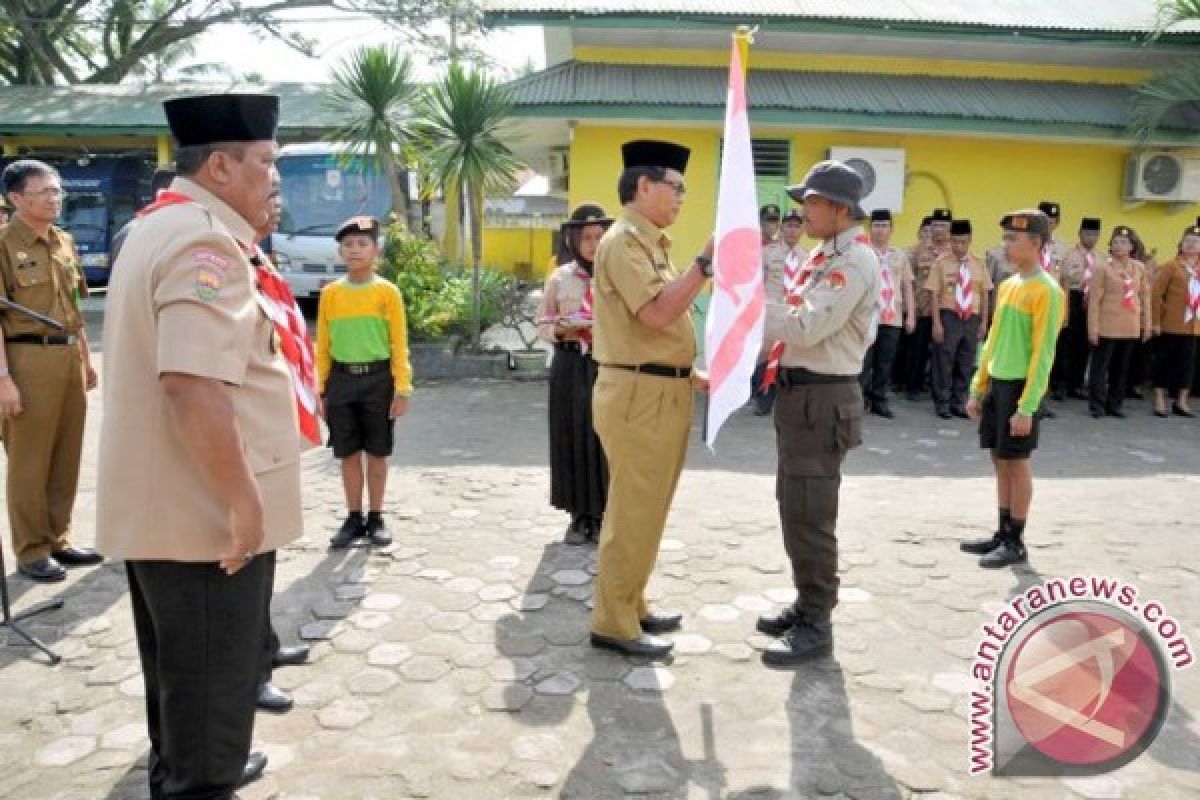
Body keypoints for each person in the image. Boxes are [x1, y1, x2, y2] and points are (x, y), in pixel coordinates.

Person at [96, 92, 302, 798]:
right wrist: (244, 502)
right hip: (206, 522)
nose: (274, 178)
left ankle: (188, 770)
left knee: (181, 694)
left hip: (169, 514)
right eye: (266, 162)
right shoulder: (205, 242)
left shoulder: (160, 226)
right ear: (220, 165)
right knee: (210, 719)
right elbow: (192, 383)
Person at [588, 139, 712, 660]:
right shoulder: (623, 243)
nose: (682, 197)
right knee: (633, 510)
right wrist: (704, 265)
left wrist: (689, 370)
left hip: (661, 388)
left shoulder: (651, 242)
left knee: (650, 509)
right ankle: (614, 621)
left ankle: (632, 602)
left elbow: (659, 327)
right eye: (675, 187)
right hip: (639, 394)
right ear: (643, 187)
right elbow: (658, 314)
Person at [755, 160, 880, 666]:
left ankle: (817, 622)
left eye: (811, 201)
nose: (802, 209)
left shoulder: (854, 262)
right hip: (801, 397)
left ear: (841, 209)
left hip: (823, 398)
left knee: (811, 514)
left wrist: (748, 304)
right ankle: (807, 600)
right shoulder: (826, 255)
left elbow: (805, 328)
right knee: (794, 506)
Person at [0, 159, 101, 583]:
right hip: (26, 360)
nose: (54, 198)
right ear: (16, 198)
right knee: (29, 461)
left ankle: (58, 538)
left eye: (57, 191)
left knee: (65, 453)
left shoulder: (63, 240)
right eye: (44, 192)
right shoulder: (4, 244)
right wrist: (4, 380)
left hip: (67, 357)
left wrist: (85, 357)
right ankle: (31, 550)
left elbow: (74, 305)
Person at [961, 210, 1063, 568]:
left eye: (1013, 239)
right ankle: (1001, 531)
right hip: (999, 382)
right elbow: (991, 340)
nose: (1005, 245)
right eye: (1005, 238)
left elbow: (1043, 352)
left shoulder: (1046, 290)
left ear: (1036, 244)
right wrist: (978, 385)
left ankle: (1016, 540)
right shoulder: (1008, 284)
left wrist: (1027, 406)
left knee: (1017, 463)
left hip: (1022, 386)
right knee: (999, 459)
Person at [250, 180, 313, 714]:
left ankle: (262, 651)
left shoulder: (255, 256)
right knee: (244, 566)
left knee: (263, 560)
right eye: (269, 196)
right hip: (240, 442)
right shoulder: (223, 258)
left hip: (265, 440)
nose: (276, 207)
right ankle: (247, 675)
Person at [318, 215, 413, 549]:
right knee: (347, 454)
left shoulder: (387, 293)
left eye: (362, 244)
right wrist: (322, 388)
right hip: (342, 380)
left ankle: (376, 516)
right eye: (347, 245)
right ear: (340, 252)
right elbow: (324, 346)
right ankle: (353, 516)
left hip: (378, 380)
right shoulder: (330, 294)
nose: (354, 250)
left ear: (376, 250)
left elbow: (398, 343)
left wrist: (402, 387)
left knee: (376, 452)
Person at [536, 203, 613, 545]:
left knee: (603, 437)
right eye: (586, 238)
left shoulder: (617, 276)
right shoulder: (560, 277)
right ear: (573, 240)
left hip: (607, 364)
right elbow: (542, 323)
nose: (594, 244)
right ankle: (577, 515)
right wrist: (562, 330)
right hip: (569, 365)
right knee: (571, 435)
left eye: (599, 236)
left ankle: (602, 513)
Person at [928, 219, 991, 419]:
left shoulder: (979, 264)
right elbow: (934, 294)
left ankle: (959, 401)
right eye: (955, 241)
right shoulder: (941, 263)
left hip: (971, 317)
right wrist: (937, 323)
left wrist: (983, 322)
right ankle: (942, 401)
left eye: (963, 242)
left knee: (966, 360)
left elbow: (985, 294)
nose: (959, 246)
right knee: (944, 360)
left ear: (970, 240)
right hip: (949, 315)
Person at [1086, 225, 1152, 419]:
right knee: (1100, 367)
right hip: (1107, 325)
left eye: (1123, 242)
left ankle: (1115, 404)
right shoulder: (1103, 268)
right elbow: (1094, 300)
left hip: (1129, 326)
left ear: (1132, 247)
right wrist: (1093, 328)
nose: (1118, 246)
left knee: (1121, 368)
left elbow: (1145, 298)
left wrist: (1146, 324)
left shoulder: (1138, 268)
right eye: (1115, 242)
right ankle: (1096, 405)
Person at [860, 208, 914, 418]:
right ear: (869, 228)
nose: (880, 230)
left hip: (892, 317)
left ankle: (879, 400)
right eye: (876, 225)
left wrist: (911, 315)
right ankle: (861, 399)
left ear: (891, 229)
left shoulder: (899, 256)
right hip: (867, 316)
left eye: (884, 226)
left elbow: (907, 285)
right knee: (864, 360)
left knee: (885, 361)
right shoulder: (862, 252)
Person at [753, 207, 807, 415]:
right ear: (782, 228)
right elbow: (757, 281)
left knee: (791, 356)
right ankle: (762, 399)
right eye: (789, 225)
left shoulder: (808, 258)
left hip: (795, 311)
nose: (792, 230)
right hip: (771, 310)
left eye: (797, 226)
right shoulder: (768, 252)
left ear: (802, 229)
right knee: (766, 355)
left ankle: (787, 401)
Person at [1150, 224, 1200, 418]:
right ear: (1181, 244)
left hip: (1193, 325)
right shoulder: (1171, 266)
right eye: (1187, 241)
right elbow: (1156, 294)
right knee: (1164, 362)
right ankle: (1160, 400)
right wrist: (1156, 320)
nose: (1190, 245)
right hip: (1171, 323)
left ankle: (1181, 400)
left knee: (1187, 364)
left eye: (1195, 242)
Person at [905, 208, 951, 401]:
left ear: (949, 227)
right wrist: (911, 309)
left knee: (943, 353)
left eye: (943, 225)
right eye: (936, 225)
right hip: (922, 308)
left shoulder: (953, 252)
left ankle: (938, 388)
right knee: (918, 350)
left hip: (945, 309)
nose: (939, 229)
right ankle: (912, 387)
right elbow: (910, 280)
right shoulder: (917, 251)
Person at [1058, 218, 1103, 400]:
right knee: (1066, 342)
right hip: (1073, 296)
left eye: (1094, 234)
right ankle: (1060, 383)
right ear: (1079, 234)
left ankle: (1076, 384)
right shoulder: (1069, 255)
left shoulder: (1101, 257)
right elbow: (1063, 280)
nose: (1090, 238)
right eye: (1086, 233)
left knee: (1084, 344)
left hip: (1091, 300)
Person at [1038, 201, 1069, 408]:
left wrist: (1064, 311)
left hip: (1052, 306)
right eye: (1045, 220)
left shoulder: (1063, 249)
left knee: (1047, 354)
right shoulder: (1028, 242)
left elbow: (1064, 281)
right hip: (1030, 304)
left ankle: (1040, 399)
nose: (1049, 224)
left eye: (1052, 221)